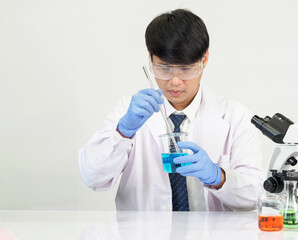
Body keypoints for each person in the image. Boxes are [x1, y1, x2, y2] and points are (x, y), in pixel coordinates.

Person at [78, 9, 264, 211]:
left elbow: (255, 196)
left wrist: (218, 177)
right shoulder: (127, 111)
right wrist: (123, 132)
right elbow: (93, 177)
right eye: (164, 68)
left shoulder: (235, 116)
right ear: (151, 59)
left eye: (186, 69)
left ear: (204, 60)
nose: (175, 82)